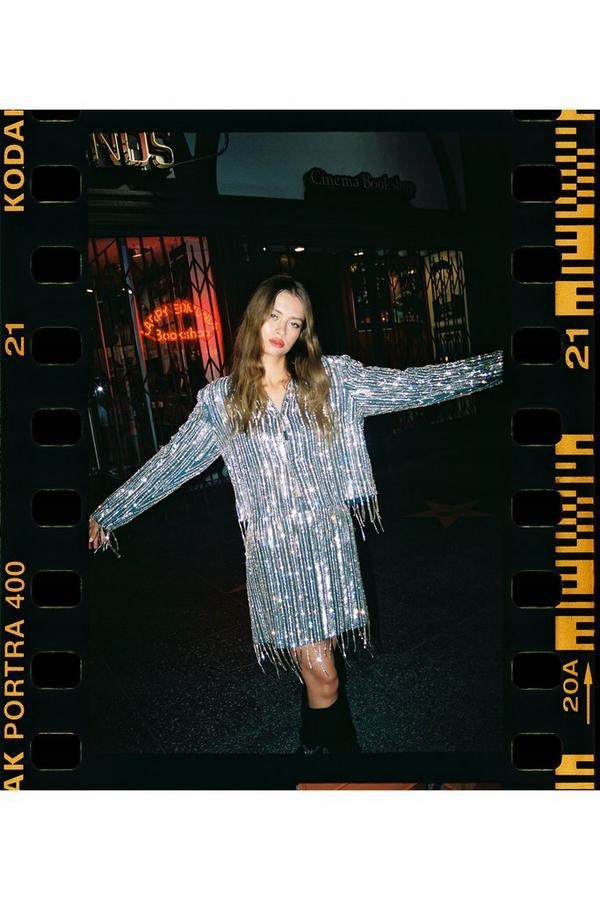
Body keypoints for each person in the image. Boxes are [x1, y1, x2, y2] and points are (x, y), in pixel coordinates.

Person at [89, 274, 503, 754]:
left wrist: (499, 366)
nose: (281, 331)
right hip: (277, 554)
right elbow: (172, 464)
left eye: (294, 323)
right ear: (255, 319)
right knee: (323, 673)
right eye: (274, 317)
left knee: (322, 666)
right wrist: (111, 512)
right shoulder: (222, 402)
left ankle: (312, 744)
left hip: (329, 545)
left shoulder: (331, 381)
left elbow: (414, 385)